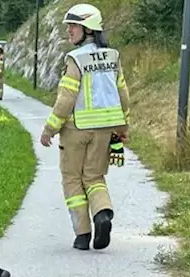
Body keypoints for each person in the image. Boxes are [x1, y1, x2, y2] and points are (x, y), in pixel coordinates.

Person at [39, 3, 131, 251]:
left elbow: (66, 99)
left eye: (73, 26)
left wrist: (50, 129)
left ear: (88, 29)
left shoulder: (75, 59)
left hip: (76, 131)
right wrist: (123, 126)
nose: (69, 31)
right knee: (94, 177)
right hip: (104, 131)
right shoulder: (113, 56)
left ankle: (82, 235)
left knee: (72, 179)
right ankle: (102, 214)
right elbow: (122, 94)